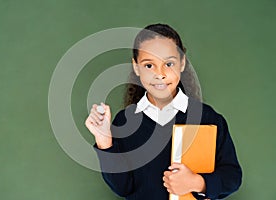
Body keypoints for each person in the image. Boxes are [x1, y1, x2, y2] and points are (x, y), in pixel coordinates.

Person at [85, 23, 242, 200]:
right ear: (136, 67)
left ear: (182, 63)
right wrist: (105, 142)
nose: (160, 74)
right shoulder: (124, 121)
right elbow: (123, 188)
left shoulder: (207, 118)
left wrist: (196, 182)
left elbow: (232, 177)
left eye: (168, 63)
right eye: (149, 65)